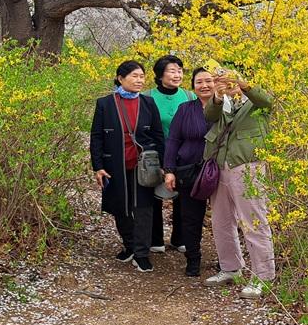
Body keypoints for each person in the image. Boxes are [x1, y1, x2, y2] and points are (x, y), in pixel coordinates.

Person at [202, 67, 275, 298]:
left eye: (232, 76)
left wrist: (243, 84)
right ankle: (231, 268)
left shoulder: (256, 101)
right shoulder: (224, 101)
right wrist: (217, 95)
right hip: (220, 166)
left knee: (254, 221)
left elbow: (266, 100)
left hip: (248, 166)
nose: (228, 81)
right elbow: (208, 116)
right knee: (221, 221)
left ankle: (263, 276)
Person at [90, 60, 166, 272]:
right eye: (134, 76)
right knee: (119, 207)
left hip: (143, 165)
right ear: (120, 78)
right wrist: (98, 166)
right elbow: (96, 137)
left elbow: (158, 135)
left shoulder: (148, 103)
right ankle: (130, 245)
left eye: (142, 76)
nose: (139, 80)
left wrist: (163, 164)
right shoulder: (105, 103)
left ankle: (141, 253)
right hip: (114, 165)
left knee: (143, 209)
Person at [162, 68, 217, 277]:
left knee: (223, 218)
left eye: (209, 81)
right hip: (189, 171)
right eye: (199, 82)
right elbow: (173, 140)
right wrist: (169, 170)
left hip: (218, 170)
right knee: (191, 218)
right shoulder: (185, 109)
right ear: (193, 86)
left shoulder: (227, 107)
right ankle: (193, 259)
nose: (204, 86)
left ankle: (226, 261)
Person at [146, 55, 196, 254]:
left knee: (183, 197)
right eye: (172, 71)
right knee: (153, 196)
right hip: (156, 153)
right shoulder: (148, 96)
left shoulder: (189, 96)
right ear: (160, 75)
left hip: (184, 156)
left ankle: (179, 238)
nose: (177, 75)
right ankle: (155, 239)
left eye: (180, 71)